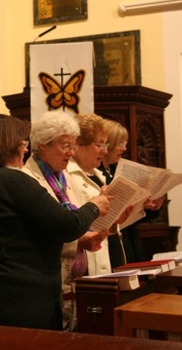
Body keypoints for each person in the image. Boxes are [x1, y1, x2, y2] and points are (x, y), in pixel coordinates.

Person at [0, 113, 109, 330]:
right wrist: (95, 206)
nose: (26, 149)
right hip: (16, 292)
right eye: (22, 143)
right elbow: (67, 225)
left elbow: (24, 230)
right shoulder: (11, 179)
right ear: (8, 144)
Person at [21, 110, 110, 331]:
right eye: (65, 146)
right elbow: (35, 235)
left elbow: (79, 220)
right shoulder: (27, 178)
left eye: (73, 145)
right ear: (43, 144)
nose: (71, 153)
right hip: (48, 277)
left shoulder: (65, 177)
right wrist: (77, 242)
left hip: (78, 277)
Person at [67, 113, 132, 277]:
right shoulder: (66, 176)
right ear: (80, 144)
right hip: (83, 261)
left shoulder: (98, 175)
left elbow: (102, 226)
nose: (104, 151)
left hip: (107, 254)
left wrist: (115, 219)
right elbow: (74, 222)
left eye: (106, 144)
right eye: (99, 144)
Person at [98, 119, 163, 267]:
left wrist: (147, 207)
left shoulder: (116, 172)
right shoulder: (96, 174)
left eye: (125, 144)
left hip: (130, 241)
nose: (124, 148)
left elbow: (129, 217)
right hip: (110, 244)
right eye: (120, 143)